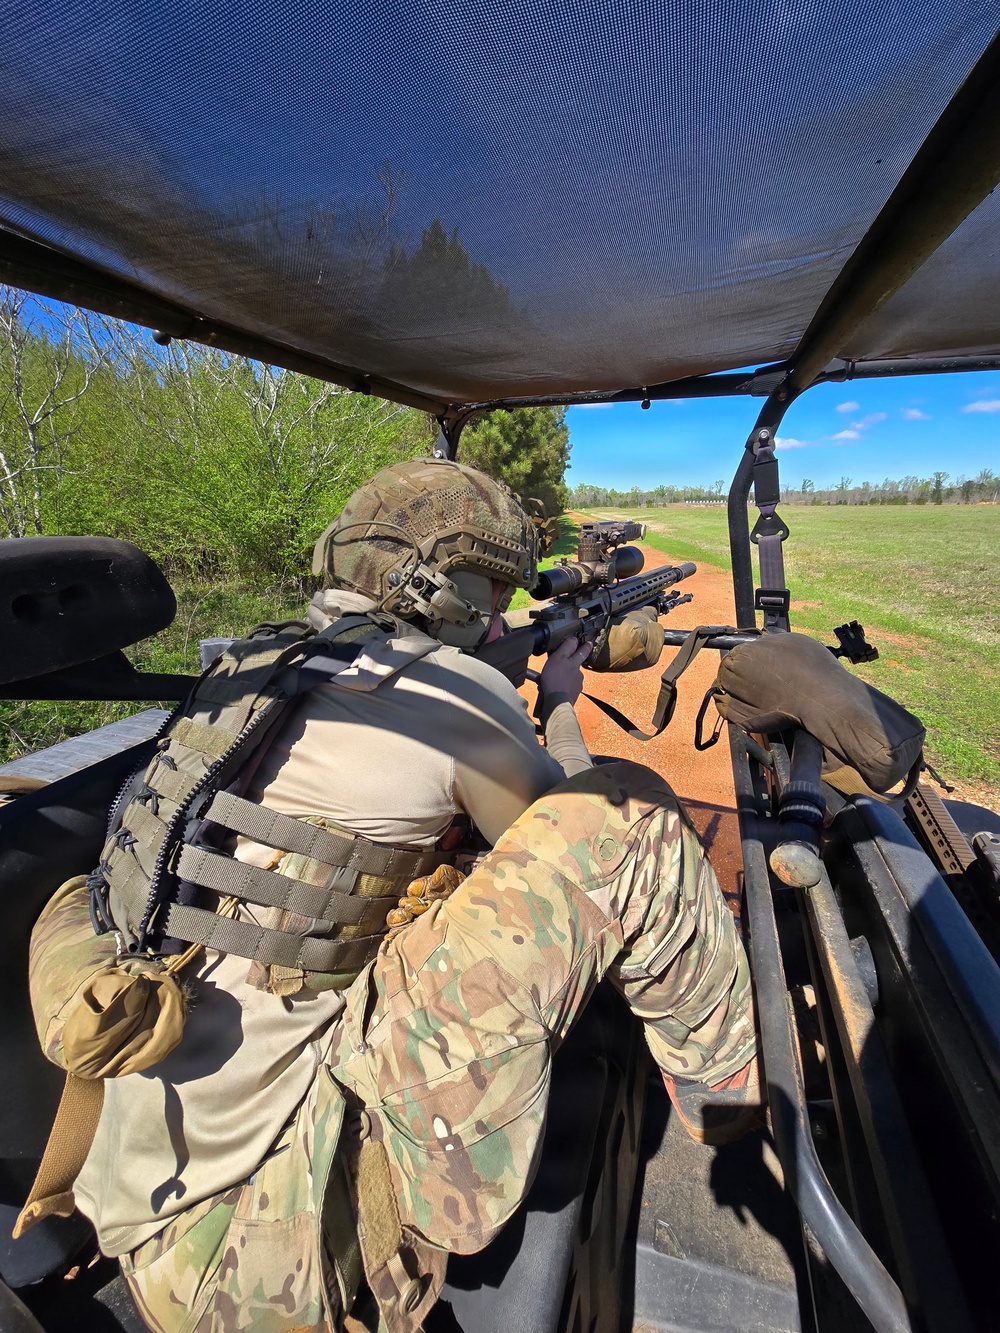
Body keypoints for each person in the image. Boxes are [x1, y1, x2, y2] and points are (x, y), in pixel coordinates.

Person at [23, 458, 759, 1333]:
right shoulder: (448, 691)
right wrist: (557, 701)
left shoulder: (253, 666)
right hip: (255, 1255)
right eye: (491, 594)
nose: (498, 616)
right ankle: (738, 1102)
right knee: (630, 823)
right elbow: (566, 821)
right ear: (440, 588)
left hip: (131, 1194)